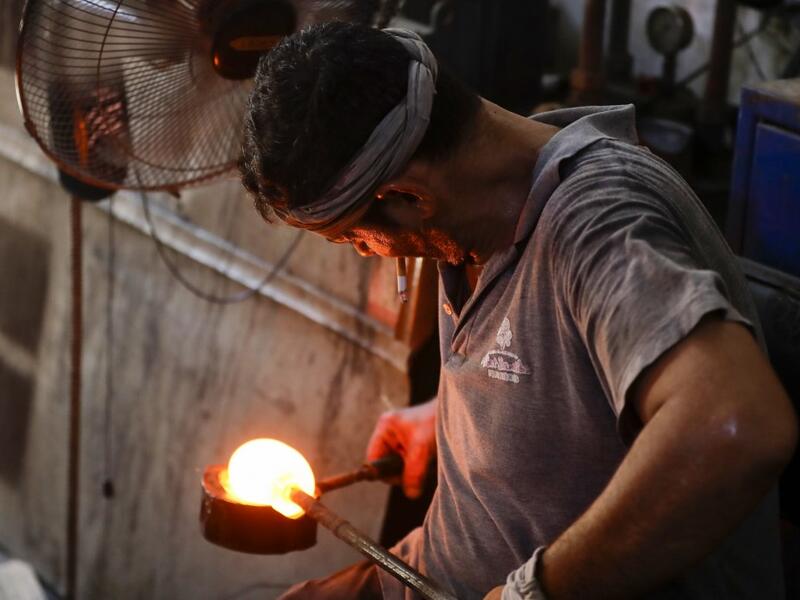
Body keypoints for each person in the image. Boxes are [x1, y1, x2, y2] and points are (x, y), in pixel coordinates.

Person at [239, 22, 798, 600]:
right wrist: (456, 412)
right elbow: (560, 360)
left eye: (353, 239)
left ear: (408, 196)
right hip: (427, 567)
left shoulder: (596, 222)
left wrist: (536, 591)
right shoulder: (479, 202)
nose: (366, 254)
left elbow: (735, 426)